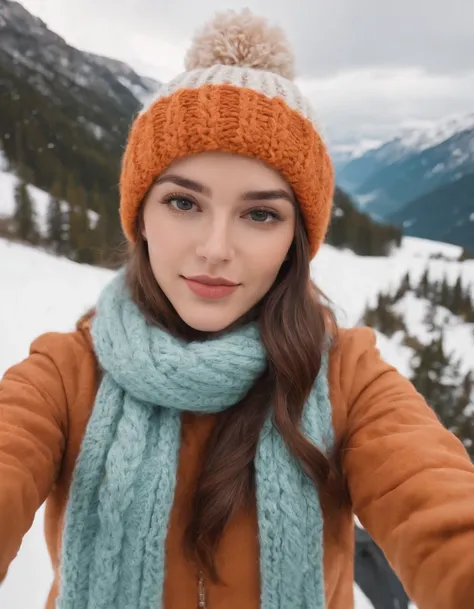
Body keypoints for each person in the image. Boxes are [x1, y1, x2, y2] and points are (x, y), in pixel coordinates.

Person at [0, 9, 473, 609]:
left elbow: (441, 510)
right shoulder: (66, 375)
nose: (216, 249)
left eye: (260, 214)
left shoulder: (347, 378)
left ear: (293, 240)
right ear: (140, 216)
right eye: (182, 202)